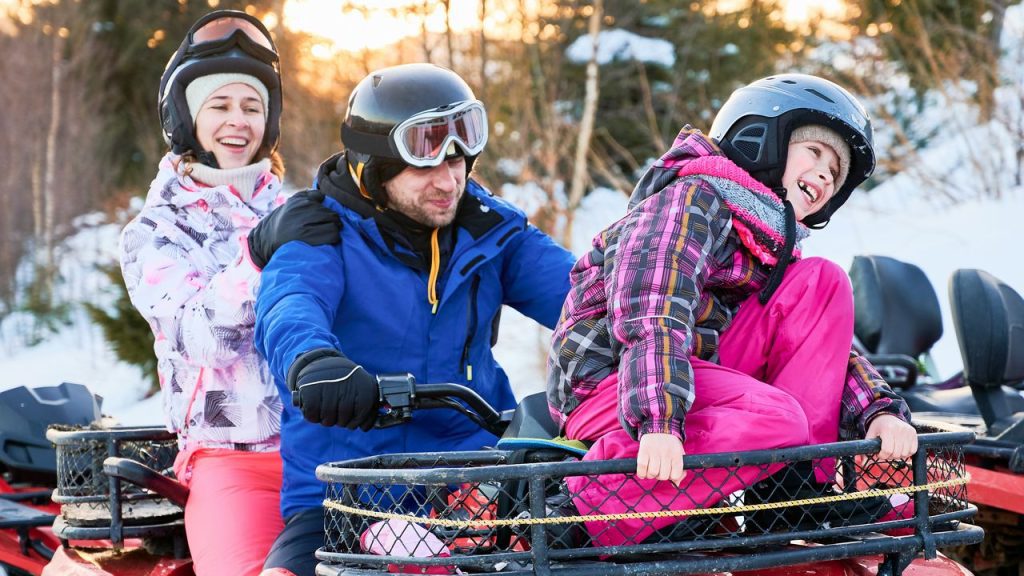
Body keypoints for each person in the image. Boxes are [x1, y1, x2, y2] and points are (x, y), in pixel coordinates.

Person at [547, 73, 918, 547]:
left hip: (701, 380)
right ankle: (583, 512)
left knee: (821, 282)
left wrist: (879, 411)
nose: (826, 175)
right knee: (779, 417)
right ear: (762, 137)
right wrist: (658, 419)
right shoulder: (692, 198)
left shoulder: (770, 246)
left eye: (836, 174)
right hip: (618, 386)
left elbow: (818, 353)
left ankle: (795, 491)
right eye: (816, 153)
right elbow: (653, 306)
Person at [250, 63, 577, 575]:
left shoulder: (489, 233)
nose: (449, 182)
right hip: (345, 492)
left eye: (459, 162)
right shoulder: (320, 232)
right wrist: (313, 361)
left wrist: (659, 320)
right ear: (374, 169)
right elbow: (290, 304)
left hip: (474, 483)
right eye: (425, 168)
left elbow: (587, 297)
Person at [119, 11, 337, 575]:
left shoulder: (300, 212)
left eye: (252, 107)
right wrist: (257, 254)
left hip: (326, 455)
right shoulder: (154, 233)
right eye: (219, 105)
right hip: (230, 461)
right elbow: (202, 338)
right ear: (186, 117)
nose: (237, 121)